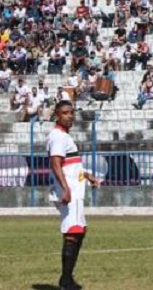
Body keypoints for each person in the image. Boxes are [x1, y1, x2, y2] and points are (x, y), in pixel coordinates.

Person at [48, 101, 100, 290]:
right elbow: (56, 163)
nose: (70, 116)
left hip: (75, 190)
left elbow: (70, 164)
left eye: (71, 112)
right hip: (70, 192)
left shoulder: (64, 136)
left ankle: (67, 278)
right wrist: (66, 188)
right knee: (73, 231)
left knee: (80, 231)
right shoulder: (58, 136)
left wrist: (86, 175)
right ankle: (66, 281)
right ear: (57, 114)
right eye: (65, 113)